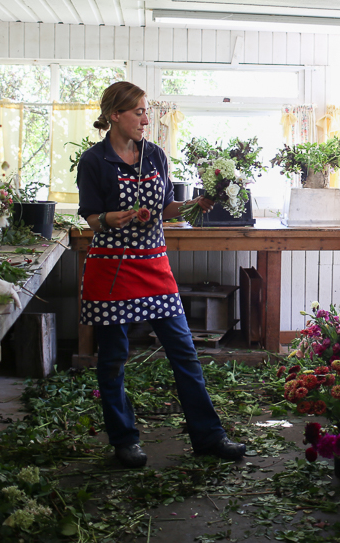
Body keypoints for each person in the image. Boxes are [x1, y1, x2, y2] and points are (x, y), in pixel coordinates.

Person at [76, 81, 246, 468]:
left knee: (184, 353)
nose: (145, 119)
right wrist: (109, 218)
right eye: (138, 111)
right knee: (113, 358)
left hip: (154, 266)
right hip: (113, 269)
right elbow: (89, 217)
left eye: (145, 110)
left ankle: (209, 436)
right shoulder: (93, 161)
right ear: (115, 115)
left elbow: (166, 207)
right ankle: (123, 440)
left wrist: (192, 205)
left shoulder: (154, 155)